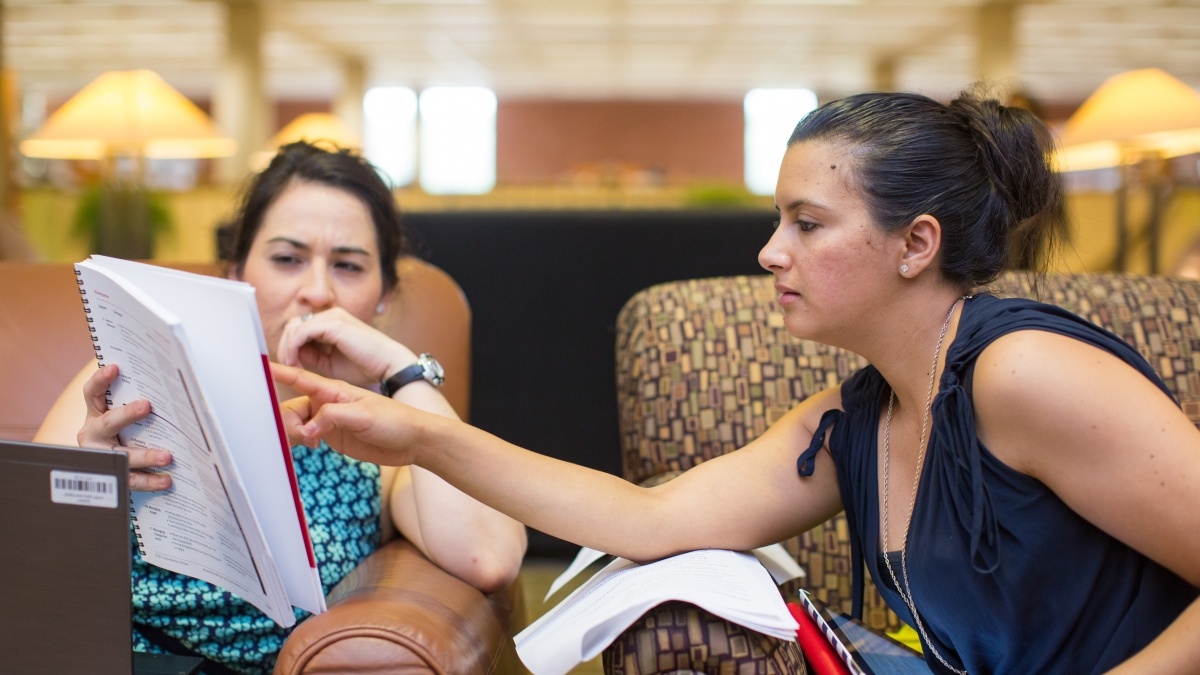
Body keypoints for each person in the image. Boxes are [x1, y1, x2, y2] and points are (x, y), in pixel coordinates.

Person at [271, 91, 1200, 674]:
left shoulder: (1021, 372)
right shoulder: (860, 417)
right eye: (776, 219)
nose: (770, 251)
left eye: (807, 223)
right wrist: (418, 432)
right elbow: (644, 520)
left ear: (917, 244)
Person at [34, 141, 527, 674]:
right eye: (287, 259)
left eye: (349, 266)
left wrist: (403, 371)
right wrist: (88, 478)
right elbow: (24, 560)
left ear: (383, 294)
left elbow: (489, 556)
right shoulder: (134, 381)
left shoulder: (387, 435)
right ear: (236, 273)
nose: (317, 291)